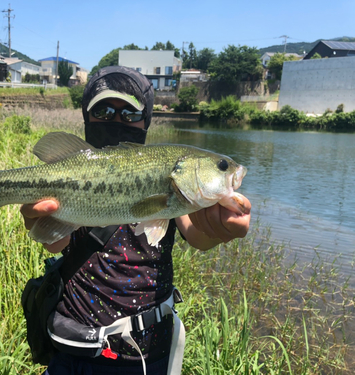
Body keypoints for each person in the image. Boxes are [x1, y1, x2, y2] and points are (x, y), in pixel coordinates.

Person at [21, 66, 251, 375]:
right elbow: (56, 243)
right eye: (103, 110)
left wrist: (219, 230)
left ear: (146, 121)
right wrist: (40, 222)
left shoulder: (173, 189)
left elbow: (197, 235)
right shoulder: (73, 169)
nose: (116, 120)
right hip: (74, 345)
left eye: (129, 113)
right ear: (87, 117)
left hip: (144, 354)